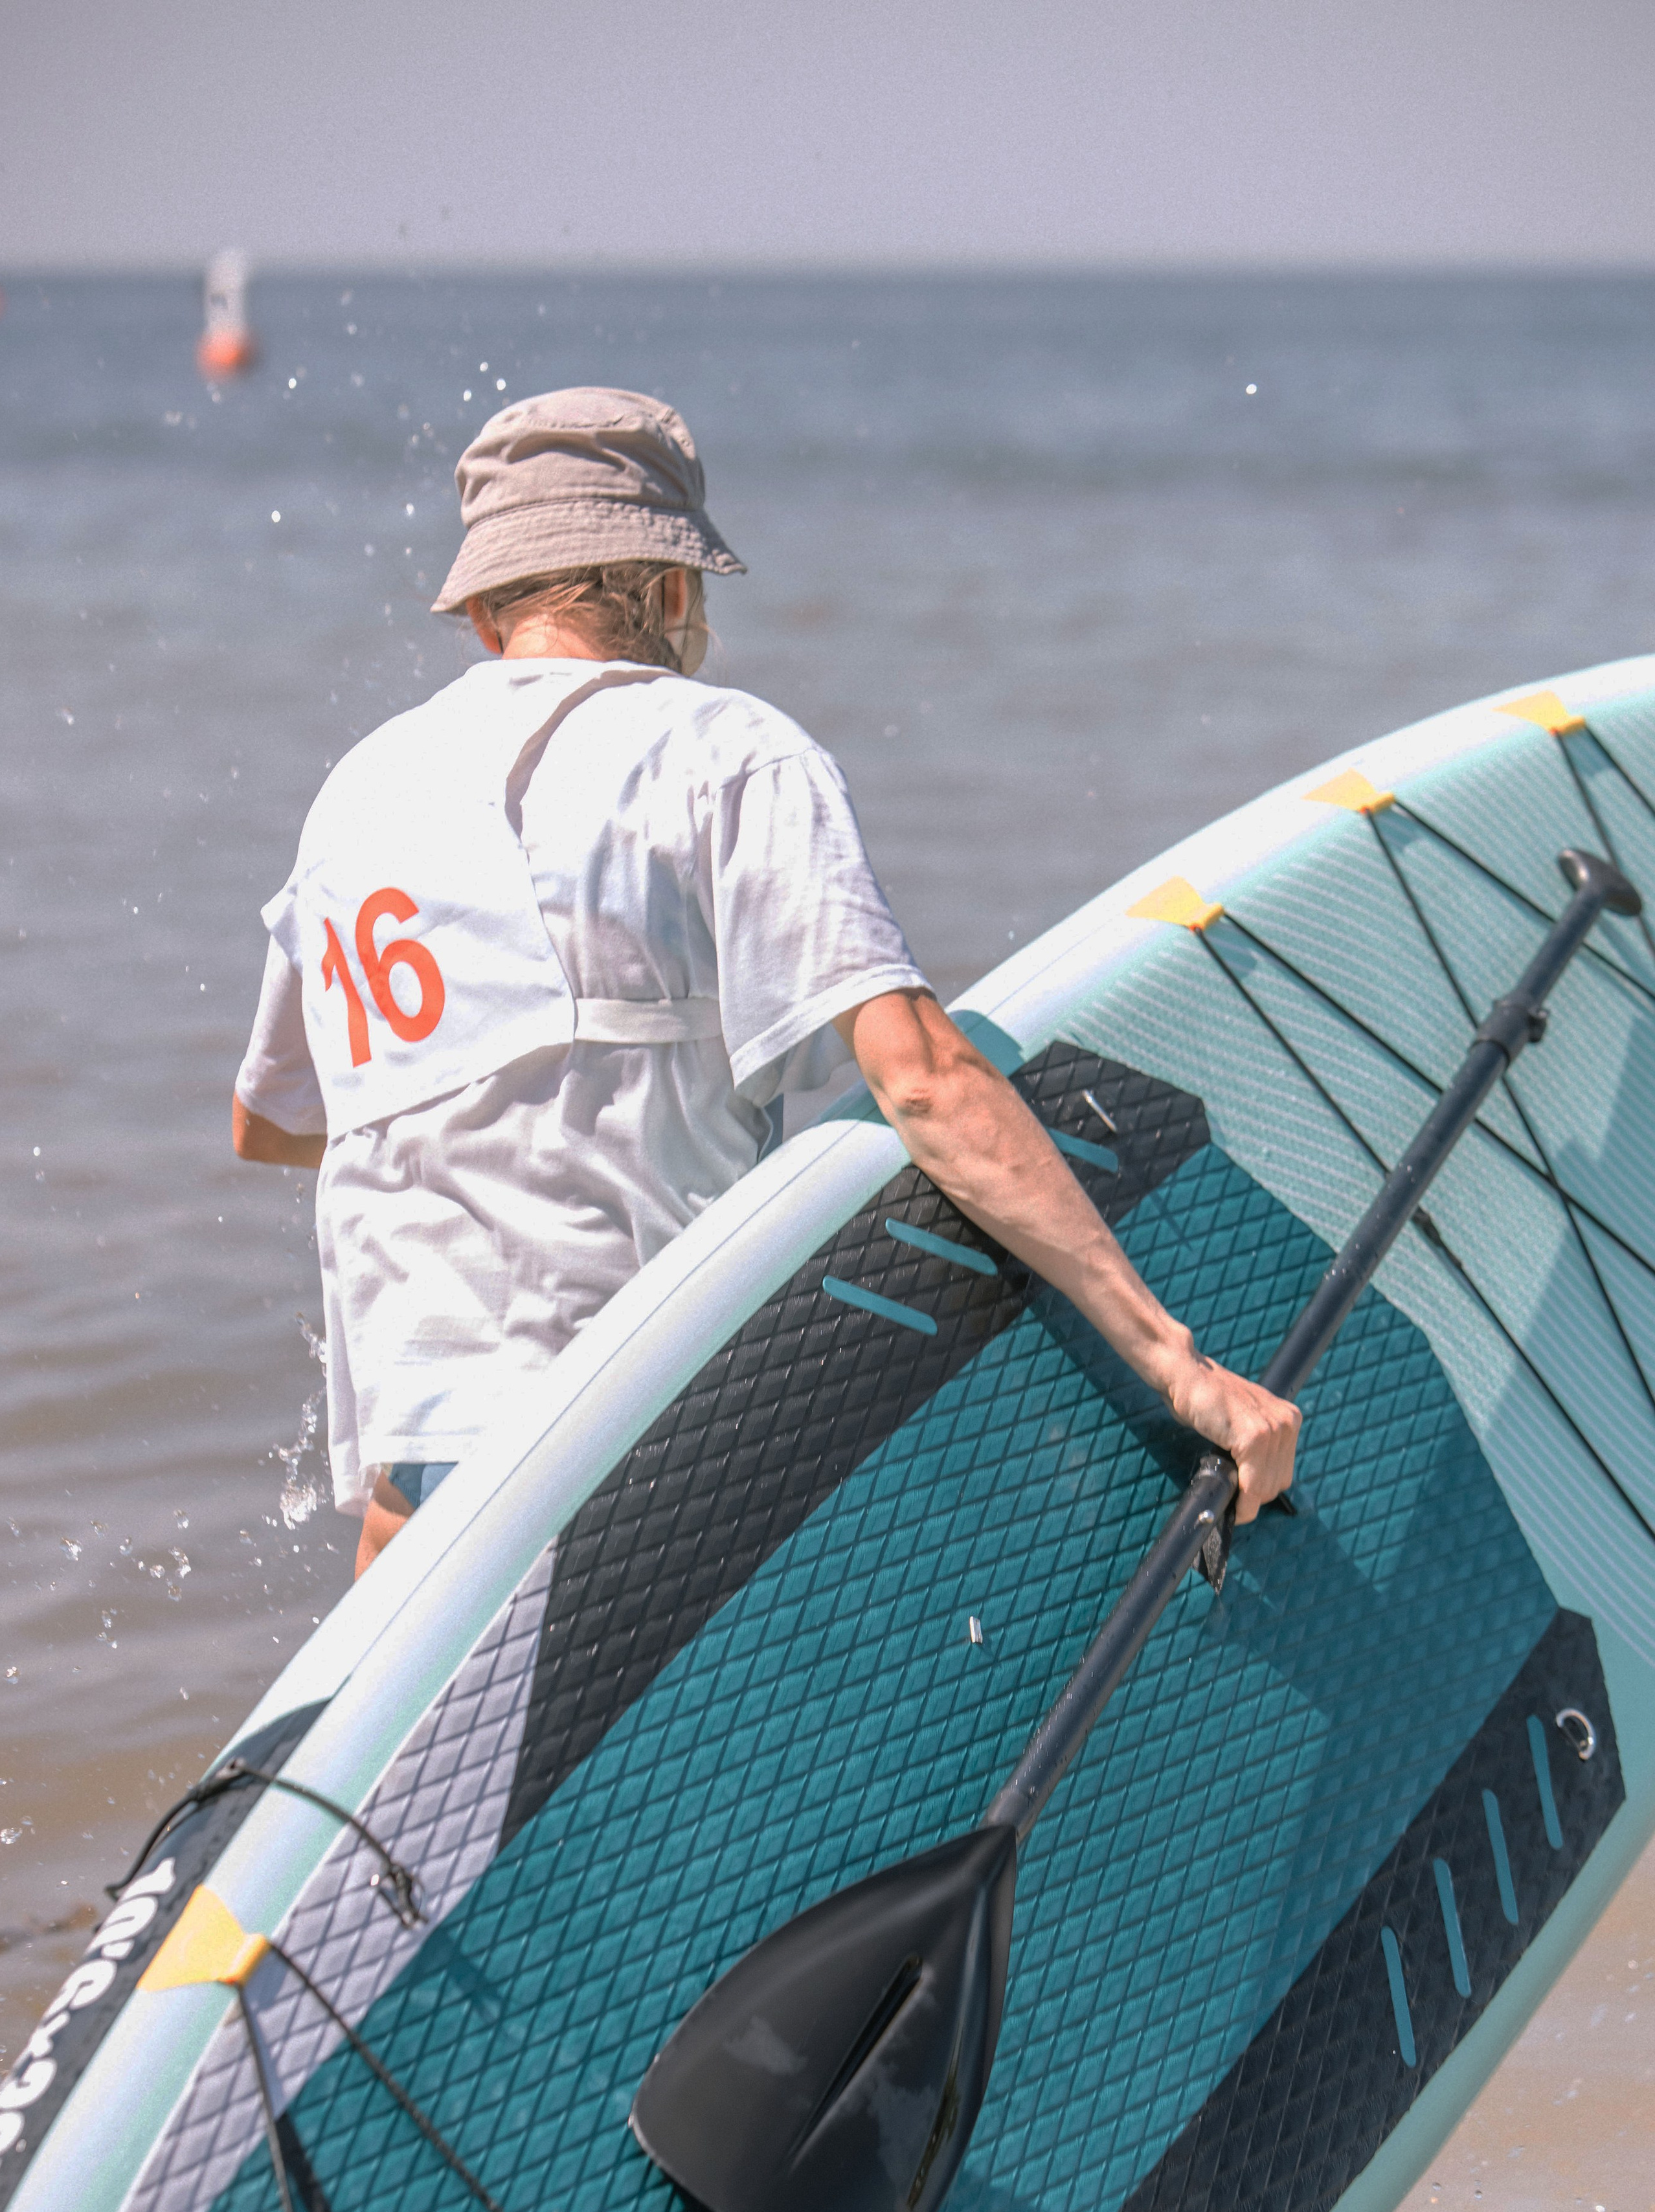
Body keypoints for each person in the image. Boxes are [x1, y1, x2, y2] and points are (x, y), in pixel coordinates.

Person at [233, 387, 1298, 1578]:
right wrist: (1176, 1363)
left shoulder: (355, 798)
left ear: (487, 612)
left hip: (415, 1487)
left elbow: (274, 1121)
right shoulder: (723, 749)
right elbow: (926, 1083)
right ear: (678, 589)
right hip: (635, 1442)